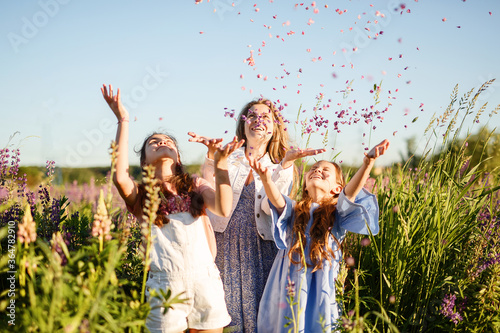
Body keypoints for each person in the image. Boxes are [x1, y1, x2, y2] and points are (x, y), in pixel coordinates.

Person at [101, 84, 242, 333]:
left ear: (178, 158)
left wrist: (221, 165)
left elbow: (223, 206)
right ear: (144, 160)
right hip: (164, 284)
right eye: (154, 142)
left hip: (204, 279)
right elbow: (119, 176)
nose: (162, 142)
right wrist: (123, 120)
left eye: (168, 141)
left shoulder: (195, 185)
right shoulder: (141, 195)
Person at [249, 140, 390, 332]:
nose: (317, 170)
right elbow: (277, 200)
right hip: (288, 285)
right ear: (305, 186)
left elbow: (350, 194)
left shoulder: (337, 213)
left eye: (325, 170)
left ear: (337, 189)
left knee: (320, 324)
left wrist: (367, 163)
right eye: (314, 168)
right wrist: (266, 179)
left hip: (321, 284)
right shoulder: (294, 209)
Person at [188, 99, 305, 332]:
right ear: (243, 126)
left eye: (265, 117)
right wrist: (212, 157)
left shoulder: (281, 163)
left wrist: (281, 169)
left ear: (275, 128)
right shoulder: (227, 156)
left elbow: (273, 206)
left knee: (262, 312)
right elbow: (208, 193)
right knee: (225, 310)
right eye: (252, 116)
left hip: (261, 246)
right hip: (224, 243)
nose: (258, 120)